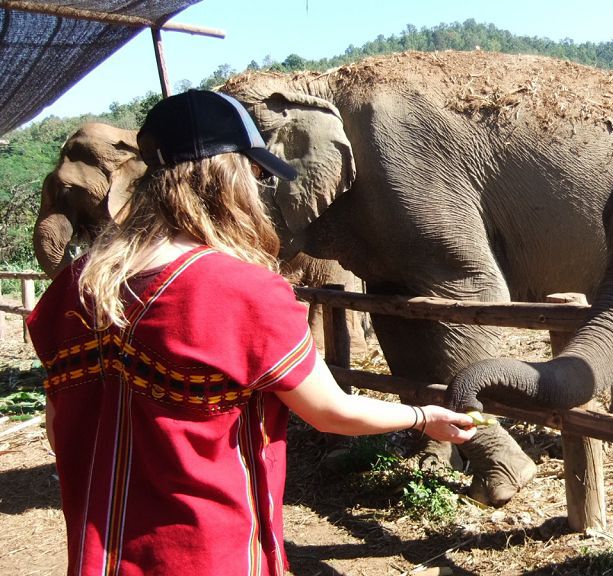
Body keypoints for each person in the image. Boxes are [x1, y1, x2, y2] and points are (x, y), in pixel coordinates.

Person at [26, 89, 477, 576]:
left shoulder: (72, 289)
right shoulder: (242, 291)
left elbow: (57, 429)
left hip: (96, 559)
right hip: (209, 555)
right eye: (256, 174)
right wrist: (421, 416)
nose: (259, 188)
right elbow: (331, 412)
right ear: (228, 177)